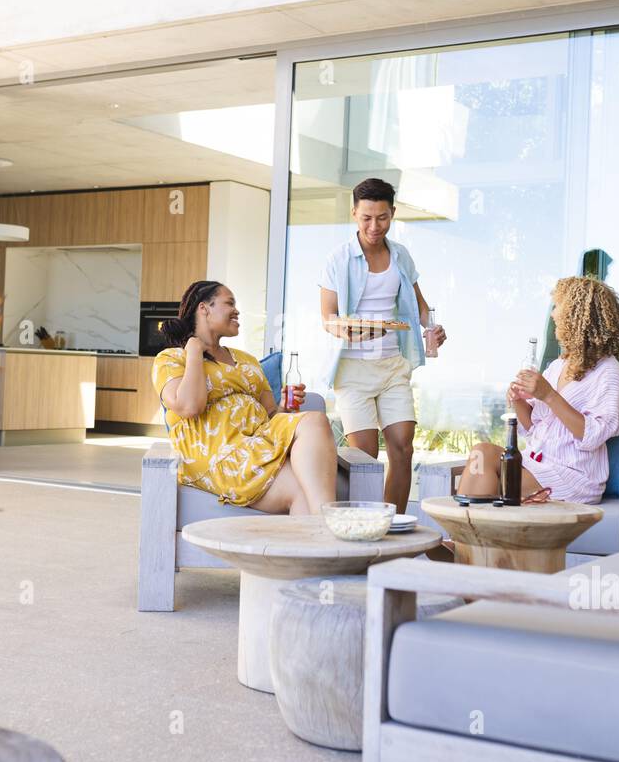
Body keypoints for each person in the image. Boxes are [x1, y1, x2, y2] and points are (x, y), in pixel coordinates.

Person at [153, 280, 338, 514]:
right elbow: (189, 407)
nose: (237, 310)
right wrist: (194, 353)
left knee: (315, 422)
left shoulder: (247, 360)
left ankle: (323, 527)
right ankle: (331, 523)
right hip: (217, 454)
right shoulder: (171, 359)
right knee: (300, 488)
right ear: (204, 308)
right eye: (229, 303)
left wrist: (283, 405)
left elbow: (272, 417)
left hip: (259, 444)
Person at [319, 178, 446, 513]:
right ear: (354, 215)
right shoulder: (339, 259)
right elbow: (328, 318)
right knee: (366, 459)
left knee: (403, 448)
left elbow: (419, 307)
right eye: (366, 218)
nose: (374, 226)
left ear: (393, 213)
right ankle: (361, 527)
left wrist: (432, 327)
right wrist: (346, 330)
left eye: (382, 218)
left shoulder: (401, 255)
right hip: (353, 370)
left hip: (392, 364)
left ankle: (393, 528)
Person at [459, 276, 619, 505]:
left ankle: (464, 538)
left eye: (558, 306)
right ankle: (468, 536)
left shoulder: (609, 372)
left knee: (485, 461)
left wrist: (549, 395)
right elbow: (533, 428)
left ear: (576, 315)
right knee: (480, 453)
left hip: (573, 477)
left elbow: (593, 435)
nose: (553, 314)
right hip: (535, 464)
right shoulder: (559, 365)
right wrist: (518, 400)